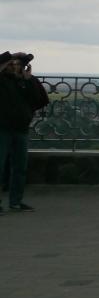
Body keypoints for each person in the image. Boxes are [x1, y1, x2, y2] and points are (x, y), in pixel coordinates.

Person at [0, 52, 48, 213]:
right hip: (2, 129)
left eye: (18, 64)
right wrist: (10, 55)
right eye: (11, 64)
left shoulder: (26, 82)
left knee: (20, 167)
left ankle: (16, 202)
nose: (14, 67)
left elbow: (39, 100)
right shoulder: (2, 80)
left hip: (21, 129)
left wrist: (29, 81)